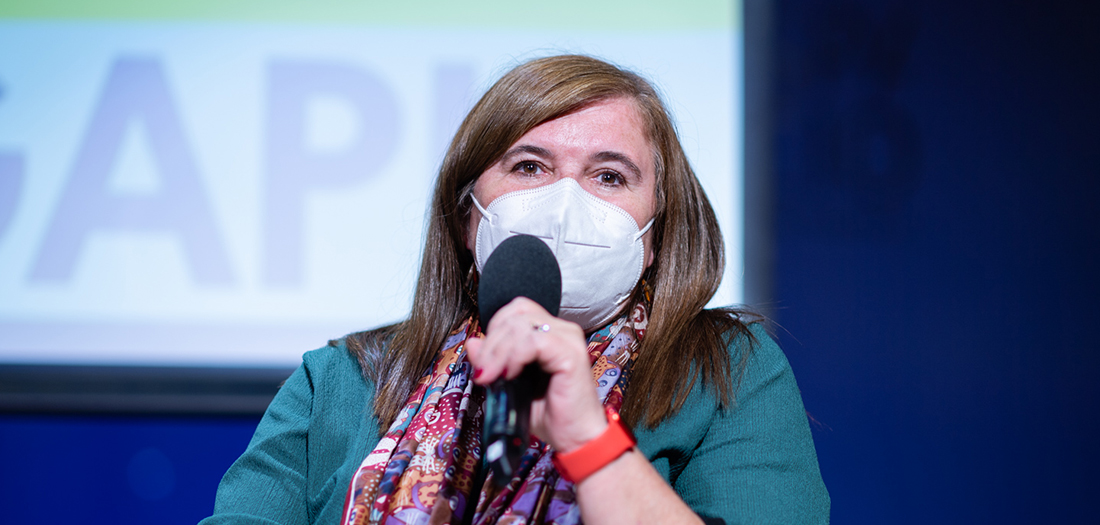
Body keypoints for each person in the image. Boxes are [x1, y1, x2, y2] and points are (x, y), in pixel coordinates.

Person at [201, 54, 829, 525]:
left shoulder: (726, 371)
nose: (564, 203)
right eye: (529, 167)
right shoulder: (341, 381)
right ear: (467, 214)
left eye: (610, 177)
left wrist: (589, 441)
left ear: (655, 235)